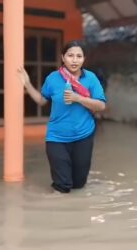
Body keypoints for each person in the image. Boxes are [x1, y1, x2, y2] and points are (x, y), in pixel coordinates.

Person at [17, 40, 106, 193]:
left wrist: (78, 98)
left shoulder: (90, 78)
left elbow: (101, 106)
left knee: (78, 184)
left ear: (84, 59)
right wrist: (27, 84)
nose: (74, 60)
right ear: (63, 57)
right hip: (56, 137)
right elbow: (41, 100)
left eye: (79, 56)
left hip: (83, 135)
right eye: (70, 55)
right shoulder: (52, 78)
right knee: (62, 185)